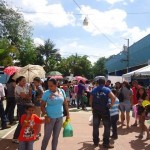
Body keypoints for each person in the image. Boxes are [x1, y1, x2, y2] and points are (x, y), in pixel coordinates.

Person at [41, 78, 70, 150]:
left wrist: (68, 114)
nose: (49, 87)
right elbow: (42, 106)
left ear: (56, 84)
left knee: (56, 137)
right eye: (48, 86)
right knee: (47, 137)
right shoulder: (46, 93)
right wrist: (45, 116)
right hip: (50, 118)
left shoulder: (62, 91)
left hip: (60, 117)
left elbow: (65, 103)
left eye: (51, 86)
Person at [90, 77, 115, 148]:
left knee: (95, 126)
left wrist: (92, 107)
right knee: (107, 127)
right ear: (104, 83)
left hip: (96, 110)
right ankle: (106, 143)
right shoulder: (107, 89)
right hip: (105, 110)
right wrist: (111, 105)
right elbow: (113, 97)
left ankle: (96, 142)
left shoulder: (94, 89)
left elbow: (91, 100)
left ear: (98, 83)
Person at [12, 76, 32, 144]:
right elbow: (24, 96)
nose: (24, 82)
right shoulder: (18, 87)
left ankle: (22, 135)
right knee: (22, 122)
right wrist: (28, 95)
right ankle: (15, 137)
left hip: (26, 106)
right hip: (21, 107)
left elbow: (29, 96)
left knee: (26, 121)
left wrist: (30, 91)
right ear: (19, 81)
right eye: (23, 81)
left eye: (25, 80)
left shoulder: (24, 87)